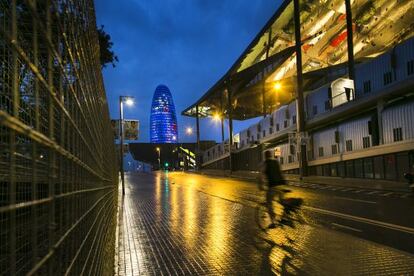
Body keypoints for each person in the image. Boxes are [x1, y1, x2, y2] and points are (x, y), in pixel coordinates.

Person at [260, 150, 285, 228]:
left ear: (265, 156)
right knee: (282, 202)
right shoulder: (276, 162)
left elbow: (261, 176)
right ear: (271, 155)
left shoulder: (265, 164)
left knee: (269, 203)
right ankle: (284, 216)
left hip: (272, 186)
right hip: (281, 184)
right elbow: (280, 172)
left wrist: (261, 186)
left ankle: (273, 221)